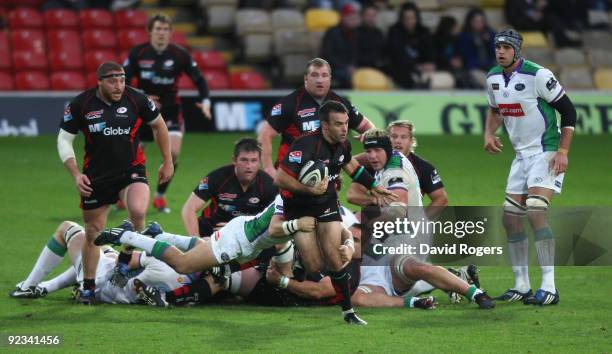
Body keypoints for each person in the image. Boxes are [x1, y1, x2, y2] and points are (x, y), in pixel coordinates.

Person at [57, 61, 173, 304]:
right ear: (99, 81)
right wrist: (76, 174)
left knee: (139, 211)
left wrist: (167, 160)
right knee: (93, 234)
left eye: (122, 80)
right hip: (96, 177)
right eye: (112, 80)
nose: (119, 85)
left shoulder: (136, 99)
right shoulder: (81, 104)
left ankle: (123, 262)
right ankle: (87, 286)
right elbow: (64, 140)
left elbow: (159, 125)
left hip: (131, 170)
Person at [274, 100, 396, 325]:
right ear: (324, 125)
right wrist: (308, 189)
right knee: (314, 266)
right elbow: (280, 179)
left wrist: (373, 185)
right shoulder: (306, 146)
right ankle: (297, 256)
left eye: (346, 123)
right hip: (300, 208)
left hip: (327, 204)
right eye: (338, 124)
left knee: (335, 257)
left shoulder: (343, 144)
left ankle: (348, 312)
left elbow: (351, 167)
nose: (344, 129)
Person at [346, 129, 495, 309]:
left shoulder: (395, 171)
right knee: (358, 298)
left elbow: (398, 209)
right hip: (384, 244)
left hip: (405, 240)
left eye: (377, 151)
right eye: (369, 151)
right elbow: (352, 193)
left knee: (413, 268)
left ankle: (476, 294)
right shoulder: (383, 161)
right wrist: (340, 160)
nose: (372, 156)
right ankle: (417, 300)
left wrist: (368, 221)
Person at [483, 29, 576, 306]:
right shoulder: (492, 78)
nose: (500, 51)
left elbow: (569, 111)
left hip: (546, 151)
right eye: (497, 47)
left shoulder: (538, 75)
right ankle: (521, 284)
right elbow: (495, 110)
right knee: (510, 218)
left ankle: (549, 287)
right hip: (520, 157)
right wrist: (489, 134)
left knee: (536, 211)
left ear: (516, 50)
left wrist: (562, 151)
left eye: (505, 48)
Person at [95, 195, 315, 280]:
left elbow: (281, 240)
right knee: (182, 264)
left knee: (203, 247)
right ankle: (127, 235)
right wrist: (298, 226)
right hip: (238, 240)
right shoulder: (292, 201)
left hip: (243, 238)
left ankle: (159, 234)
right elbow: (277, 230)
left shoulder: (299, 201)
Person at [123, 13, 212, 213]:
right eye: (158, 29)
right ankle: (125, 192)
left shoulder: (180, 54)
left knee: (172, 153)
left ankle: (160, 196)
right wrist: (143, 97)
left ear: (171, 33)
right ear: (150, 32)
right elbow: (123, 83)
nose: (162, 33)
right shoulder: (138, 53)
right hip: (143, 112)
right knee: (132, 156)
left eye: (165, 30)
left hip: (171, 111)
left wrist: (205, 101)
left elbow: (199, 79)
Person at [257, 57, 374, 179]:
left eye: (324, 75)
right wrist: (268, 168)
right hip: (291, 176)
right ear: (306, 78)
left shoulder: (341, 103)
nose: (320, 80)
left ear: (330, 79)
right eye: (314, 75)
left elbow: (366, 126)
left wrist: (370, 138)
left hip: (326, 181)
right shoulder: (290, 103)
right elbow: (264, 135)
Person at [349, 121, 447, 218]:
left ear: (411, 141)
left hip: (398, 223)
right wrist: (374, 200)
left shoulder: (420, 167)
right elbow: (352, 195)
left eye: (403, 137)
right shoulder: (374, 161)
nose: (398, 141)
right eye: (394, 136)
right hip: (387, 219)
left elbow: (441, 199)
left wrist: (421, 222)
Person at [181, 138, 277, 237]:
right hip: (211, 232)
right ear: (234, 160)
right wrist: (196, 241)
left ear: (259, 162)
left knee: (280, 246)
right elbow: (189, 208)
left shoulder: (268, 184)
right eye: (244, 160)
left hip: (249, 235)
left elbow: (276, 218)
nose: (249, 166)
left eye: (254, 161)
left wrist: (237, 229)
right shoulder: (217, 177)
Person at [386, 2, 435, 89]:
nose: (409, 21)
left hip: (421, 67)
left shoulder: (424, 31)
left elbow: (430, 52)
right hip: (401, 67)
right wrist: (416, 66)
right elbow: (397, 54)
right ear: (401, 19)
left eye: (412, 18)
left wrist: (429, 63)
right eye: (406, 18)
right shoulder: (394, 31)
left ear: (417, 18)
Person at [457, 8, 496, 72]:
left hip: (490, 65)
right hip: (473, 68)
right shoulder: (465, 36)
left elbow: (496, 53)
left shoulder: (490, 33)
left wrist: (488, 42)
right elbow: (466, 56)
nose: (479, 24)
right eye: (476, 21)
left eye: (481, 21)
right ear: (470, 22)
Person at [356, 4, 385, 71]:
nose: (370, 18)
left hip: (377, 68)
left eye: (373, 16)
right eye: (368, 15)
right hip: (360, 68)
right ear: (362, 16)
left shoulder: (379, 33)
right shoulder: (355, 32)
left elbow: (383, 52)